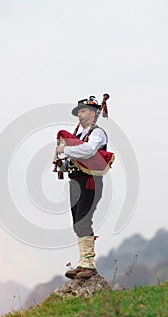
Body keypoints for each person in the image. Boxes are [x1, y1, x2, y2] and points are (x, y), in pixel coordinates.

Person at [54, 95, 109, 279]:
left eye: (83, 110)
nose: (80, 114)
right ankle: (83, 263)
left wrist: (65, 150)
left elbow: (89, 150)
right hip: (76, 181)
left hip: (90, 180)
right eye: (79, 111)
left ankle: (89, 266)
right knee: (77, 223)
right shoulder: (78, 136)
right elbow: (72, 160)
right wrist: (60, 162)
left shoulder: (97, 133)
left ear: (93, 114)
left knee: (83, 219)